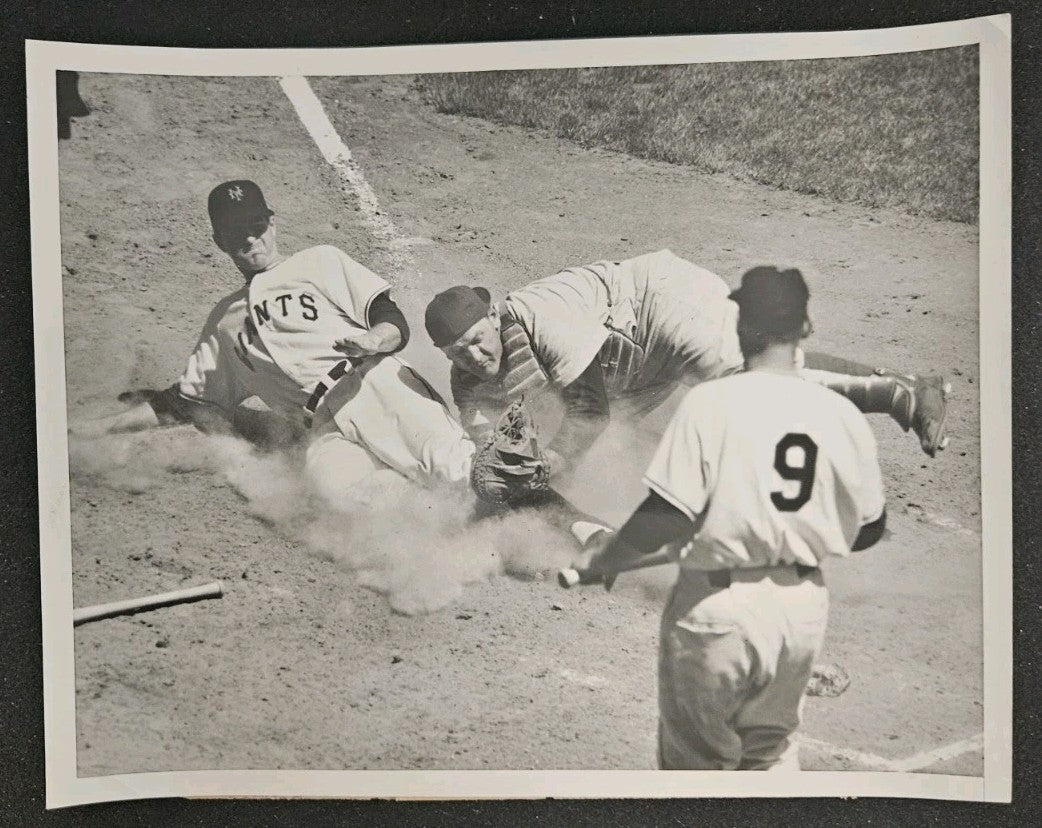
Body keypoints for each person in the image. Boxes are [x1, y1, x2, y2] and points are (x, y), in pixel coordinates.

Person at [574, 265, 887, 771]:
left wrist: (605, 558)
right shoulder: (841, 414)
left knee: (697, 773)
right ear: (805, 329)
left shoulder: (710, 403)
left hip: (717, 611)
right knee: (772, 758)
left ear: (740, 328)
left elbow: (666, 516)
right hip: (800, 615)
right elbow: (870, 526)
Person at [70, 179, 475, 509]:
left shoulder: (320, 261)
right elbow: (176, 402)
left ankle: (536, 511)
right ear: (219, 242)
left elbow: (390, 318)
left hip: (372, 385)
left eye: (256, 226)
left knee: (456, 469)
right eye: (235, 233)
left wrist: (374, 340)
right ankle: (466, 537)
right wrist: (92, 431)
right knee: (343, 498)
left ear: (271, 223)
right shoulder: (223, 321)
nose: (250, 240)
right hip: (322, 429)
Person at [423, 250, 949, 476]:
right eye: (457, 353)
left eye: (475, 338)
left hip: (663, 304)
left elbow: (587, 415)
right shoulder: (467, 381)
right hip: (626, 360)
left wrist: (552, 463)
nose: (473, 355)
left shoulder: (542, 316)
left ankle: (899, 390)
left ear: (492, 315)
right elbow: (485, 444)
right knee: (659, 445)